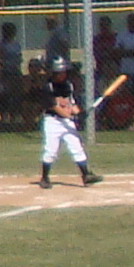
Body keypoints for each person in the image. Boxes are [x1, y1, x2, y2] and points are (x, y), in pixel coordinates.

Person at [35, 57, 110, 189]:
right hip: (53, 122)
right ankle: (44, 178)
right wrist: (73, 117)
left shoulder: (68, 85)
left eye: (64, 72)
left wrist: (79, 113)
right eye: (60, 72)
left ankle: (86, 175)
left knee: (76, 146)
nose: (63, 74)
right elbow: (55, 107)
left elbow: (71, 104)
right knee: (51, 150)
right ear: (54, 73)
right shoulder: (48, 87)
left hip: (67, 121)